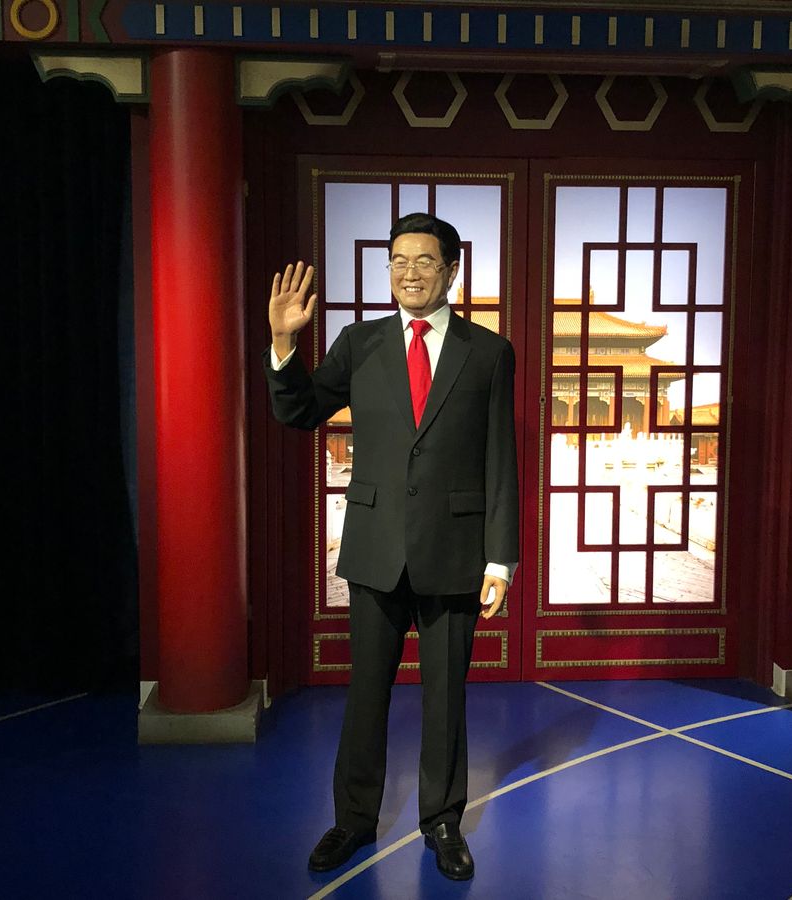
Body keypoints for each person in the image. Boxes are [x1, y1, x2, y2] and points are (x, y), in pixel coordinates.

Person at [263, 212, 519, 881]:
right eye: (398, 261)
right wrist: (283, 345)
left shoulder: (489, 352)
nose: (409, 273)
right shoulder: (360, 343)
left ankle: (443, 822)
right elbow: (298, 411)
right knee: (366, 694)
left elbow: (501, 459)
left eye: (424, 261)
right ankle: (352, 820)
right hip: (376, 547)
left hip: (455, 551)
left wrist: (500, 558)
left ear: (452, 270)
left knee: (446, 697)